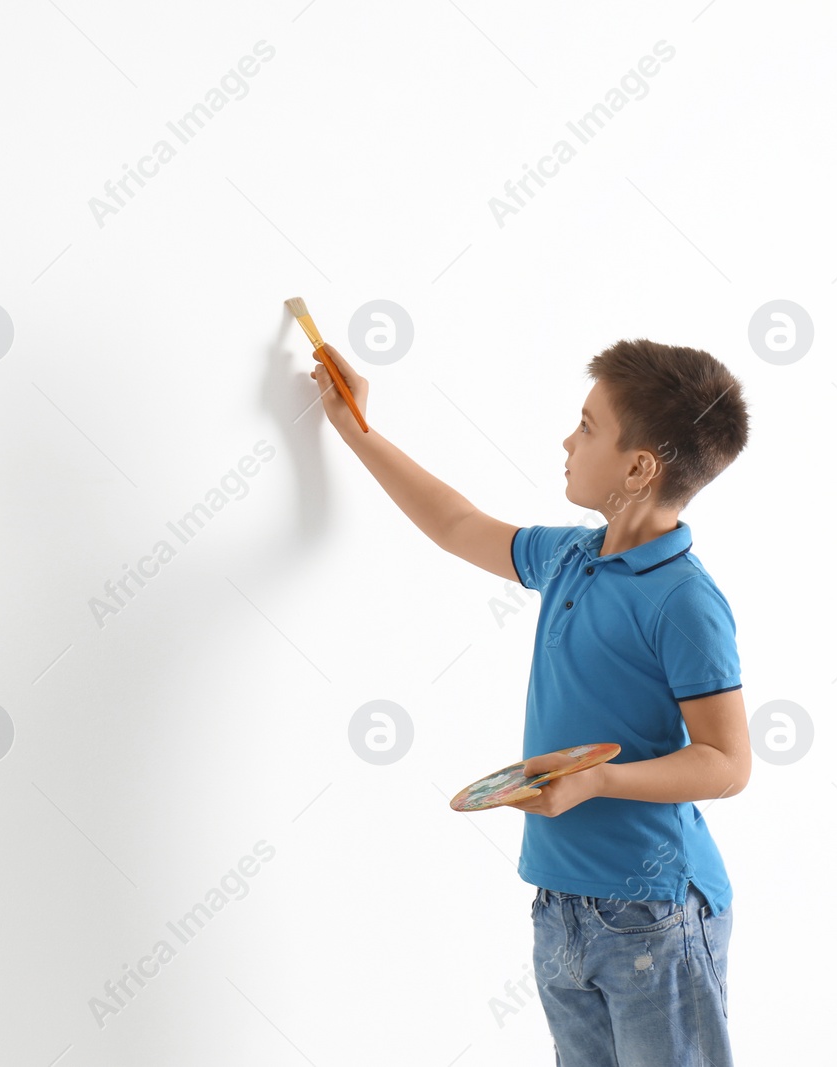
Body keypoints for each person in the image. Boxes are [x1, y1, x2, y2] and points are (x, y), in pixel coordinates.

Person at [311, 337, 751, 1065]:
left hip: (655, 913)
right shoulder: (569, 556)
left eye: (587, 426)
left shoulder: (685, 601)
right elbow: (455, 523)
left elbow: (728, 763)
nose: (567, 440)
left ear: (639, 467)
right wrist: (358, 428)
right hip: (560, 902)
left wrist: (602, 779)